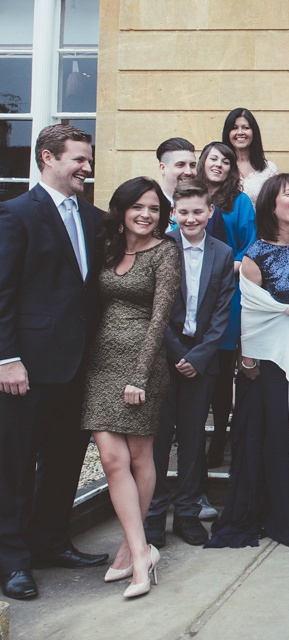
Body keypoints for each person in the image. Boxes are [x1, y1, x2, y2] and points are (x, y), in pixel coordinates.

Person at [0, 124, 108, 600]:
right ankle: (13, 561)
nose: (87, 167)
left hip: (78, 367)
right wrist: (7, 359)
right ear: (47, 157)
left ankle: (50, 542)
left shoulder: (92, 217)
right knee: (17, 465)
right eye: (78, 160)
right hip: (27, 370)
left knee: (65, 460)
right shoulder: (16, 215)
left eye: (88, 160)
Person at [208, 173, 289, 549]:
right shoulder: (255, 256)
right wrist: (247, 364)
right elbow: (252, 318)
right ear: (271, 206)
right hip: (276, 365)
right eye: (288, 194)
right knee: (286, 443)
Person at [82, 177, 181, 598]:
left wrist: (138, 376)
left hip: (142, 365)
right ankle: (142, 550)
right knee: (110, 457)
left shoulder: (166, 252)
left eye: (154, 208)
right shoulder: (106, 248)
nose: (146, 215)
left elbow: (160, 319)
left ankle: (132, 550)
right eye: (138, 207)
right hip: (99, 364)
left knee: (140, 457)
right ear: (122, 210)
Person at [145, 180, 235, 549]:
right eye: (183, 212)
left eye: (198, 211)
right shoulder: (161, 248)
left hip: (202, 360)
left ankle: (186, 513)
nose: (191, 218)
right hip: (166, 357)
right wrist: (176, 352)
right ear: (173, 214)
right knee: (159, 437)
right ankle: (153, 516)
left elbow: (222, 312)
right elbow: (154, 309)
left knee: (194, 436)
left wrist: (198, 356)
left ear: (210, 212)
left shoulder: (223, 253)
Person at [196, 142, 257, 472]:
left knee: (220, 369)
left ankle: (220, 435)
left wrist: (223, 264)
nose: (218, 164)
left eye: (225, 160)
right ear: (203, 162)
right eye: (213, 158)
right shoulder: (190, 196)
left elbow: (250, 246)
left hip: (228, 292)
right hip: (192, 294)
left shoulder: (240, 202)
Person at [222, 108, 278, 206]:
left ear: (254, 132)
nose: (240, 132)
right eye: (234, 128)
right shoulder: (220, 166)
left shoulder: (269, 170)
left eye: (245, 127)